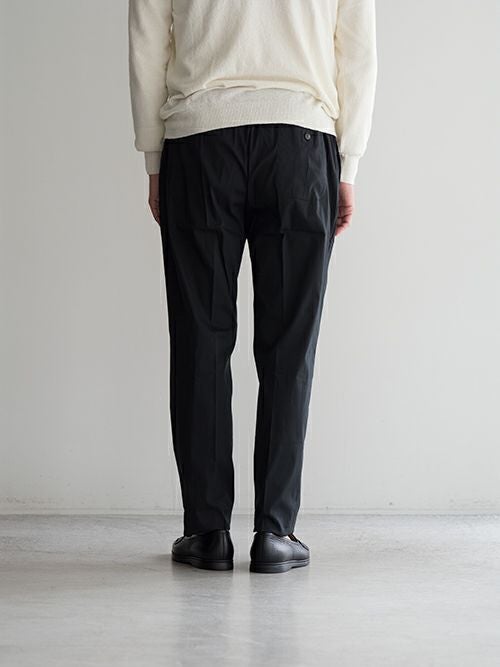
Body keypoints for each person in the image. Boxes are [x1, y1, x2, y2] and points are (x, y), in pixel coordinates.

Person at [128, 0, 377, 574]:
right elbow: (357, 51)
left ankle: (206, 532)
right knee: (290, 346)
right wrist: (349, 165)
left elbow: (148, 41)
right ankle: (275, 532)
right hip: (302, 143)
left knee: (201, 339)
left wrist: (154, 157)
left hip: (199, 140)